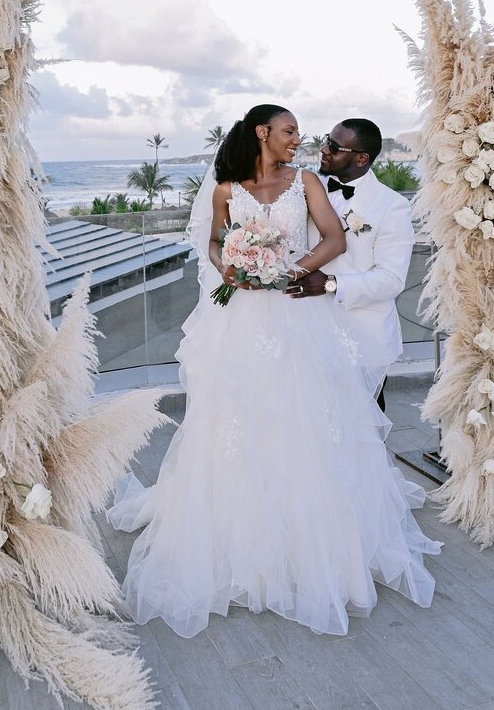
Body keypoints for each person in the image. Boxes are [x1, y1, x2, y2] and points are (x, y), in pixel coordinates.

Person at [107, 104, 439, 639]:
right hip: (236, 315)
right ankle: (235, 533)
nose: (300, 142)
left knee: (300, 414)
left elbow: (334, 240)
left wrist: (287, 270)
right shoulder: (224, 188)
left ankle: (309, 539)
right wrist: (230, 268)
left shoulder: (306, 182)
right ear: (261, 133)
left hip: (294, 314)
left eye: (305, 136)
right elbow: (213, 242)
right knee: (235, 413)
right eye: (290, 132)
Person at [287, 118, 415, 413]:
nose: (323, 149)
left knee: (364, 427)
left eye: (333, 146)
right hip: (307, 329)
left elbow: (392, 278)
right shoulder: (305, 188)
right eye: (325, 140)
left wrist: (332, 284)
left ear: (360, 159)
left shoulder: (392, 206)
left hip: (363, 337)